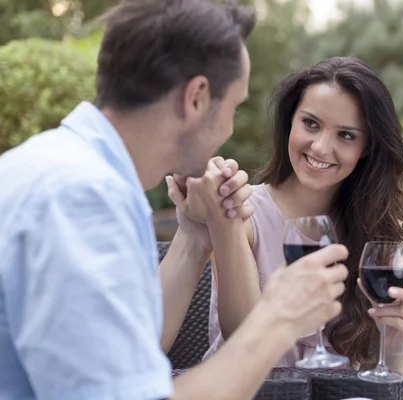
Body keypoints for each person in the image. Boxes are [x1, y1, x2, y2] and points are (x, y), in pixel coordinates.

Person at [0, 1, 349, 399]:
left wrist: (195, 235)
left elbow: (126, 354)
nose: (230, 128)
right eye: (235, 106)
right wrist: (279, 318)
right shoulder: (80, 199)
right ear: (197, 97)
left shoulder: (65, 169)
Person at [196, 57, 403, 400]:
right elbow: (242, 337)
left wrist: (397, 343)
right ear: (290, 122)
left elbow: (396, 381)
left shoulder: (385, 231)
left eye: (345, 135)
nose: (320, 147)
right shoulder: (243, 213)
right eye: (311, 124)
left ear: (366, 148)